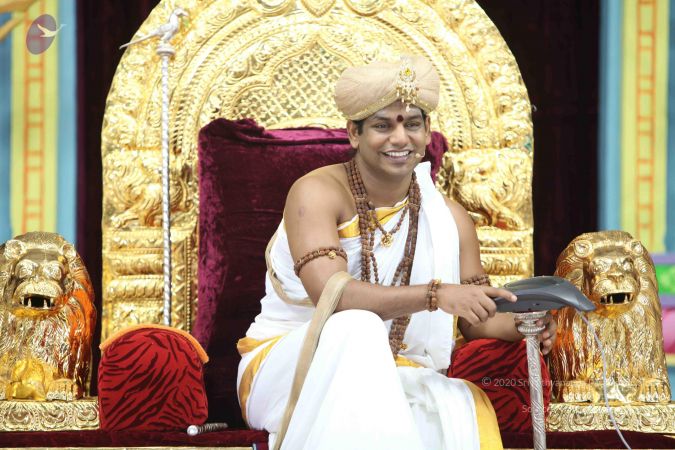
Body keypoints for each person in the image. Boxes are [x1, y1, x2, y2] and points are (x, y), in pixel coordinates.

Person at [236, 56, 556, 450]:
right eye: (383, 126)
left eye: (412, 124)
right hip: (289, 367)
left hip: (397, 371)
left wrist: (525, 324)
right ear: (354, 133)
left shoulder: (449, 219)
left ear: (427, 132)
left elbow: (475, 319)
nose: (400, 138)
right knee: (357, 326)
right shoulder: (316, 192)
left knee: (448, 407)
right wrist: (435, 295)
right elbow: (332, 297)